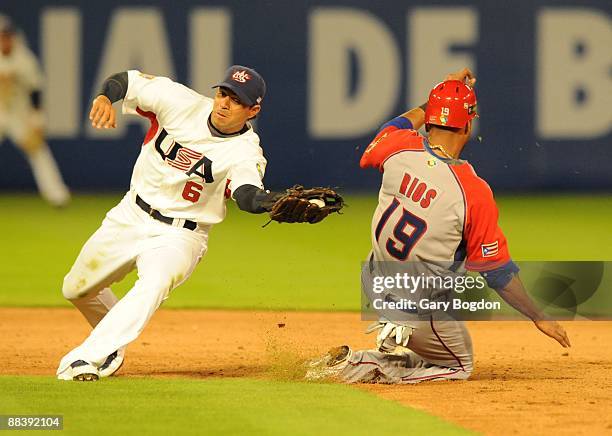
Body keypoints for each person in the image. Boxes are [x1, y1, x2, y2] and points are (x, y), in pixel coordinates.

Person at [57, 65, 335, 381]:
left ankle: (84, 358)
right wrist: (105, 96)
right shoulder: (178, 101)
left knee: (154, 284)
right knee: (76, 289)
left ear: (253, 110)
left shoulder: (245, 151)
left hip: (180, 235)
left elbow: (246, 195)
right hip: (130, 215)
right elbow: (127, 80)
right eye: (223, 93)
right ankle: (109, 347)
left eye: (236, 100)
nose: (224, 103)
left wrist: (273, 201)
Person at [306, 68, 571, 383]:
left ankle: (395, 344)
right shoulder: (472, 191)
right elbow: (497, 272)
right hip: (415, 307)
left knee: (433, 281)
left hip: (373, 281)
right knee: (459, 366)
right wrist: (539, 317)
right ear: (468, 125)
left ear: (429, 117)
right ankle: (359, 365)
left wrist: (435, 102)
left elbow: (392, 127)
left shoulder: (397, 146)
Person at [0, 14, 70, 206]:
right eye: (1, 36)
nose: (4, 39)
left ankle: (57, 195)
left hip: (17, 114)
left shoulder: (23, 59)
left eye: (6, 35)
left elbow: (35, 90)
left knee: (38, 151)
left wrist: (37, 117)